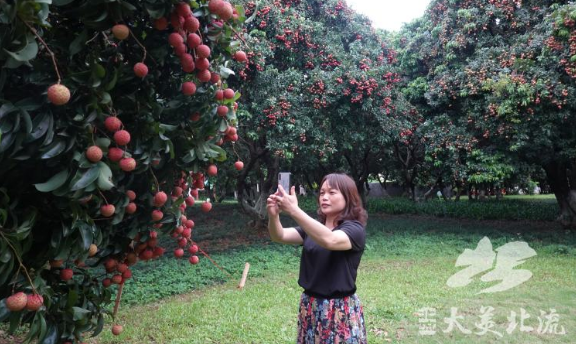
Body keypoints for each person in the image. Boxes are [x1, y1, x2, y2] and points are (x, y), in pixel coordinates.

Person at [267, 173, 368, 344]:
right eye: (322, 193)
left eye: (332, 192)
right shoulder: (314, 228)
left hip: (339, 309)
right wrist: (273, 215)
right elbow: (280, 236)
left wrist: (293, 210)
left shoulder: (355, 229)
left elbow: (330, 240)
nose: (325, 197)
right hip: (310, 305)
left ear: (348, 197)